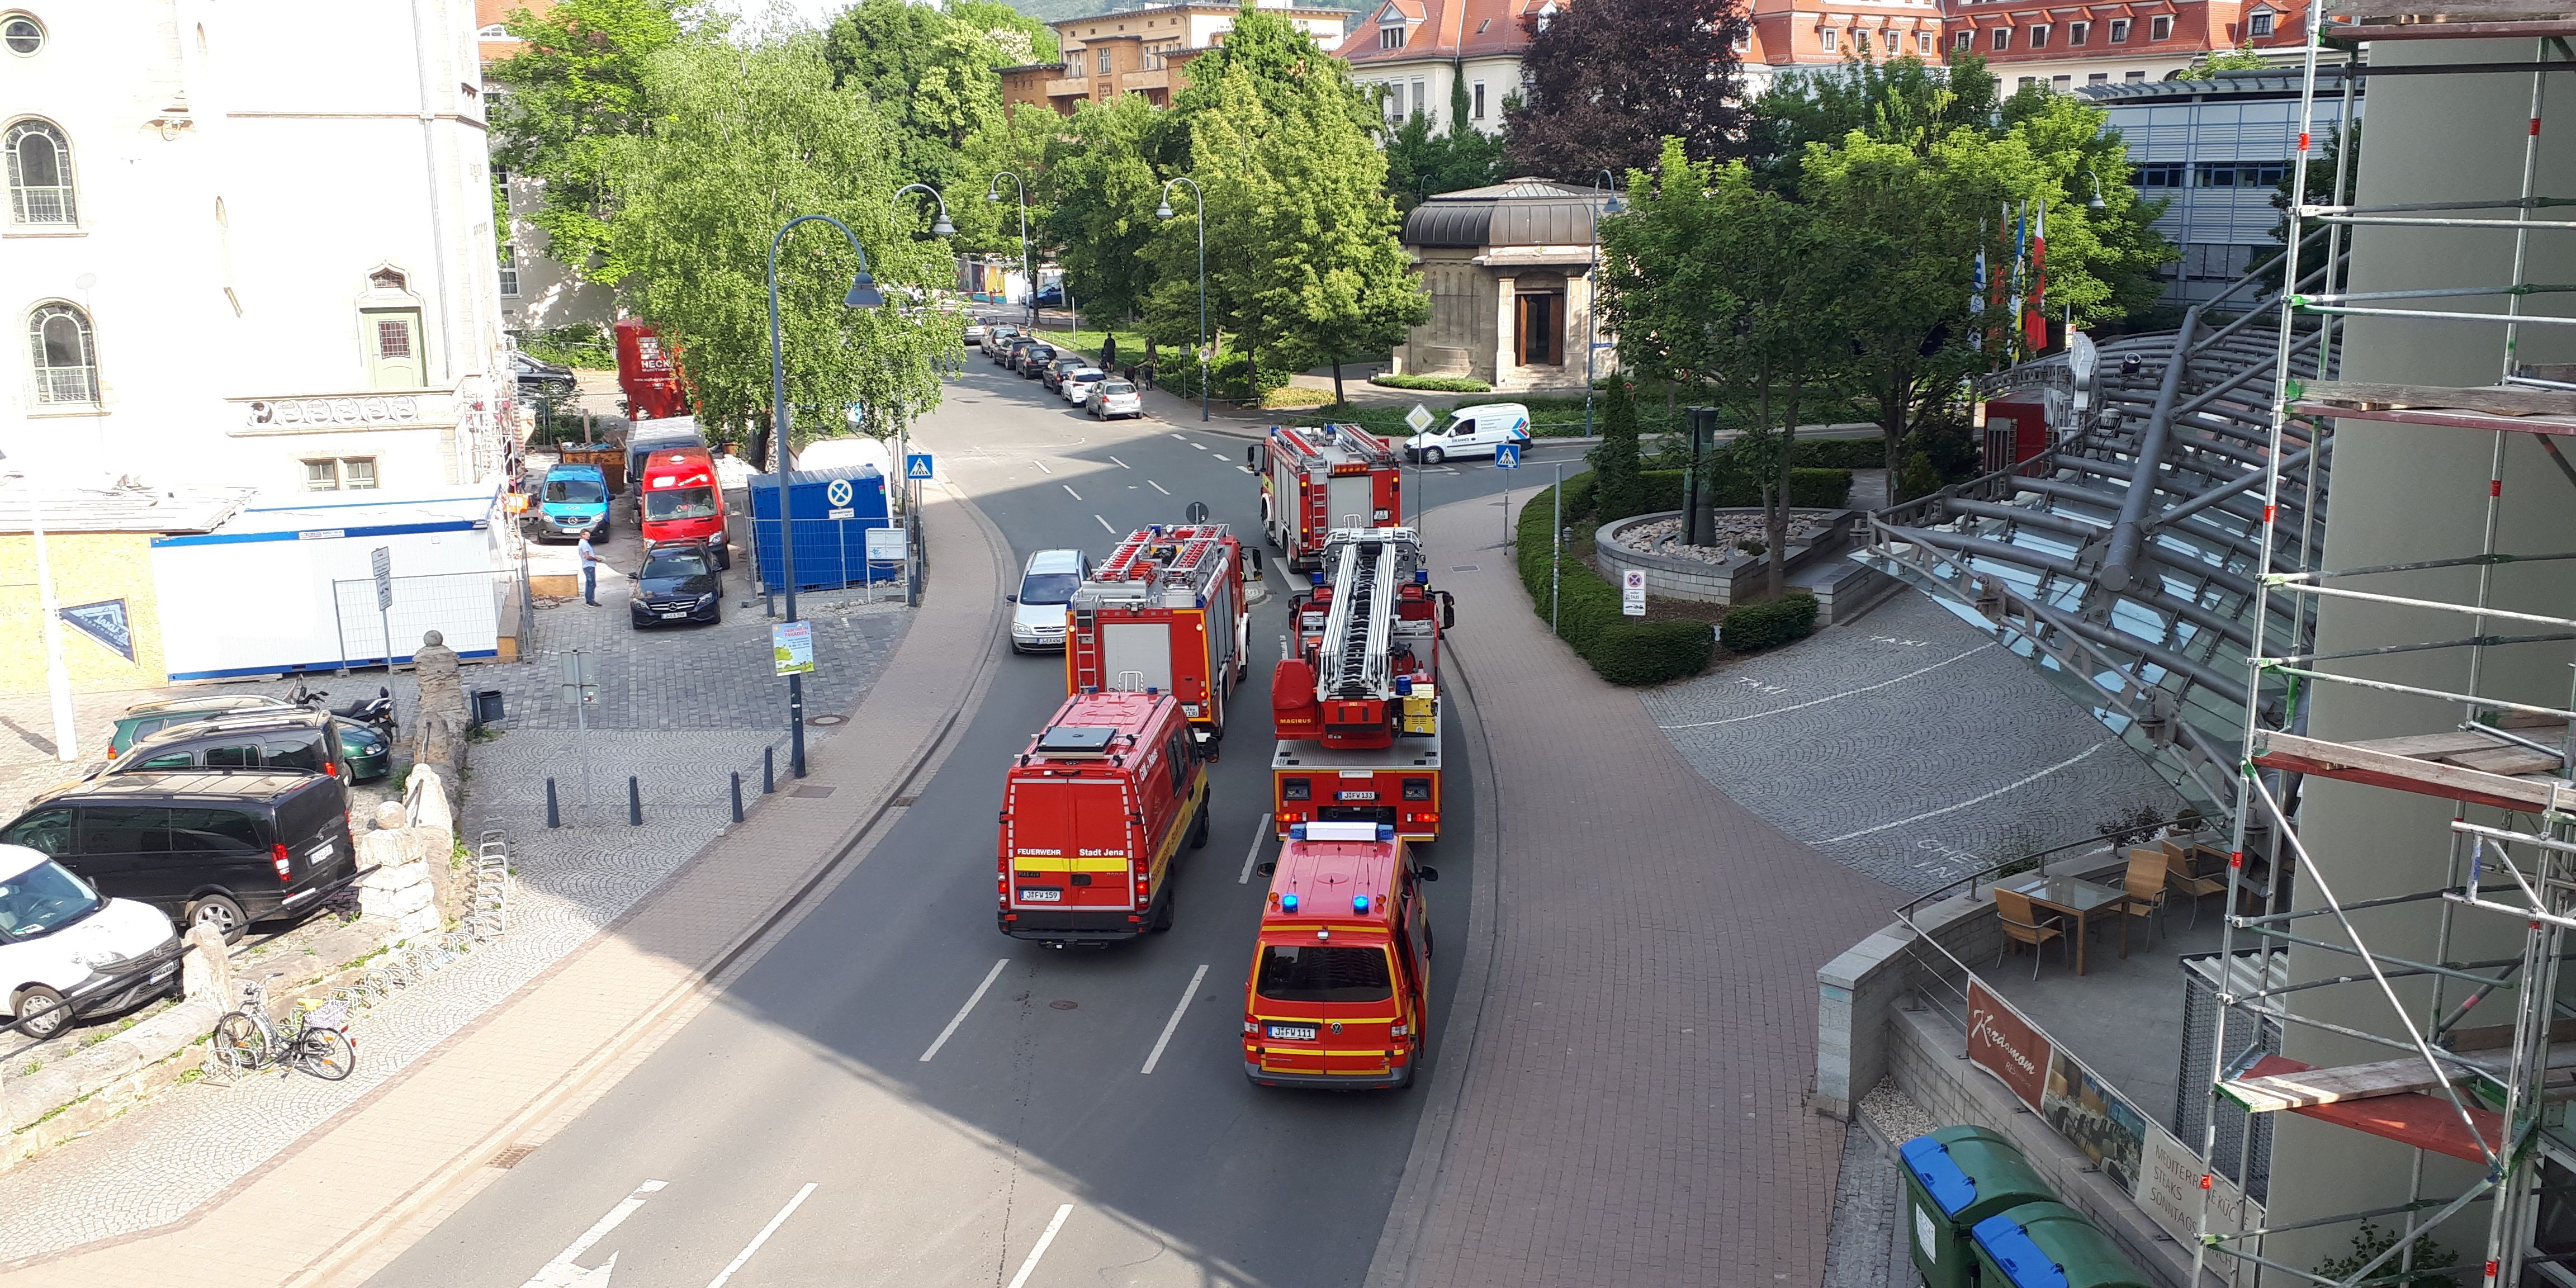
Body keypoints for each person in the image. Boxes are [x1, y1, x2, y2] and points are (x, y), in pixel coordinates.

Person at [577, 532, 603, 605]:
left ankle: (589, 600)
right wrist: (596, 559)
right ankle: (591, 601)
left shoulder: (583, 543)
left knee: (589, 583)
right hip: (589, 566)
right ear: (582, 535)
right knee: (592, 584)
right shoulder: (584, 544)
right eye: (587, 535)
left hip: (587, 566)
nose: (589, 536)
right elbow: (587, 556)